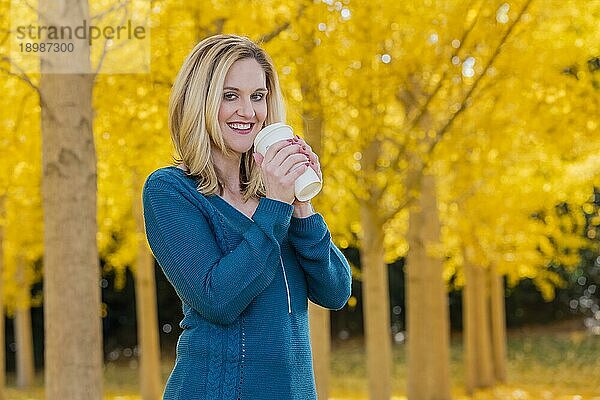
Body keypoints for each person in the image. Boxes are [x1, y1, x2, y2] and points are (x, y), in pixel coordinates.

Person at [142, 34, 352, 400]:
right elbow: (218, 299)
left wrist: (301, 204)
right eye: (230, 96)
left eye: (258, 96)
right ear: (200, 102)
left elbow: (335, 292)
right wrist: (276, 206)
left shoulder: (275, 196)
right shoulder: (170, 191)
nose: (249, 111)